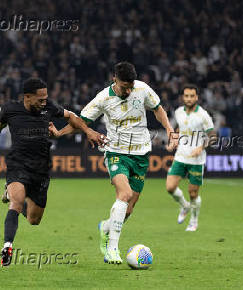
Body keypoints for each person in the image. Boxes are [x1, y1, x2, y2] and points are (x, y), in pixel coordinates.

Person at [0, 77, 105, 267]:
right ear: (27, 97)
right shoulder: (10, 110)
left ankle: (11, 194)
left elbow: (72, 117)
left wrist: (88, 131)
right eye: (40, 99)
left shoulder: (49, 107)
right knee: (17, 202)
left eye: (45, 98)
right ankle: (7, 246)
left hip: (41, 168)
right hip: (18, 164)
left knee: (34, 220)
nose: (44, 102)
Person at [50, 62, 176, 264]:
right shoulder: (103, 98)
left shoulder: (142, 89)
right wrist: (59, 133)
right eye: (124, 87)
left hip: (141, 153)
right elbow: (81, 121)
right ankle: (112, 248)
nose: (128, 90)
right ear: (114, 79)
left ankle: (106, 227)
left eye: (130, 87)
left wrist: (170, 130)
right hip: (116, 152)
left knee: (128, 208)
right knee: (124, 194)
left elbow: (158, 108)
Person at [165, 84, 215, 231]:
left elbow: (213, 136)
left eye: (192, 96)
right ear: (182, 97)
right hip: (180, 156)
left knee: (193, 193)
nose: (189, 98)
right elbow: (179, 129)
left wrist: (200, 147)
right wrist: (174, 140)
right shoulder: (179, 112)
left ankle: (193, 220)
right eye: (186, 96)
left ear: (197, 97)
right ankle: (184, 206)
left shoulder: (203, 115)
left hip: (196, 160)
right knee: (170, 187)